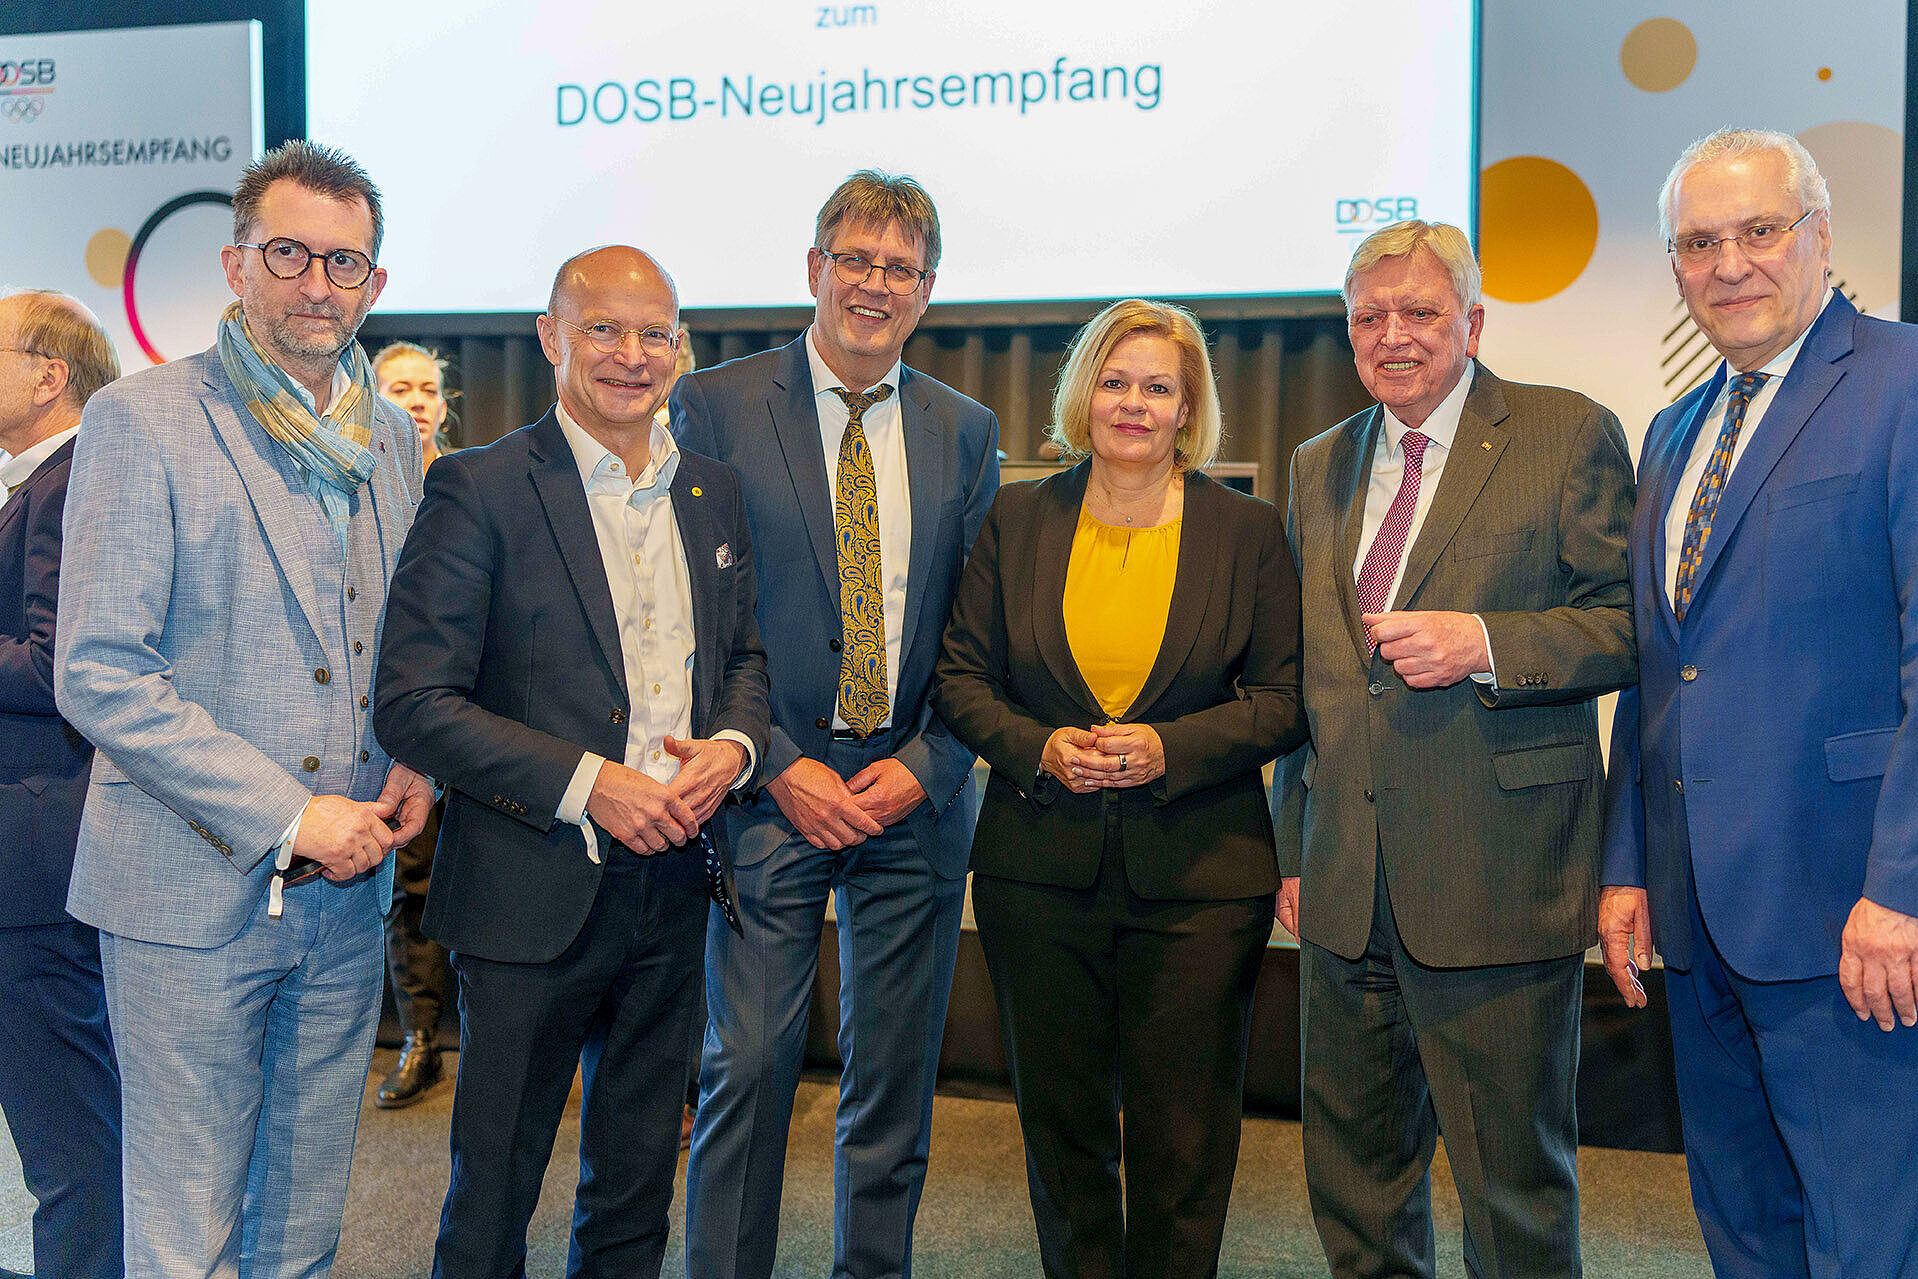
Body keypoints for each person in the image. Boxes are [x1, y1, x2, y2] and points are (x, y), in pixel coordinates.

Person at [53, 140, 433, 1278]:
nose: (319, 283)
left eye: (346, 261)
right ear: (235, 263)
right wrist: (291, 813)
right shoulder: (142, 420)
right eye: (290, 253)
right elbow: (101, 668)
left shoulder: (395, 437)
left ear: (374, 281)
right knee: (186, 1231)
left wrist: (415, 758)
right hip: (184, 890)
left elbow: (402, 643)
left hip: (346, 898)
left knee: (303, 1224)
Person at [373, 245, 770, 1279]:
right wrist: (594, 783)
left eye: (653, 333)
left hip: (677, 883)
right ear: (551, 337)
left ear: (679, 350)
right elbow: (414, 705)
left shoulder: (712, 492)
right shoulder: (480, 487)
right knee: (493, 1190)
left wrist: (729, 748)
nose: (630, 355)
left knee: (637, 1187)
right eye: (603, 328)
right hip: (525, 894)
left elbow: (744, 661)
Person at [1272, 220, 1635, 1279]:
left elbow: (1624, 624)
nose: (1393, 336)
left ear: (1470, 322)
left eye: (1418, 313)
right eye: (1368, 318)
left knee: (1511, 1195)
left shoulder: (1565, 433)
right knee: (1355, 1189)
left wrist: (1484, 642)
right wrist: (1294, 843)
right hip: (1344, 886)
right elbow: (1313, 676)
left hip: (1498, 876)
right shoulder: (1314, 464)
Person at [1600, 128, 1918, 1277]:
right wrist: (1627, 864)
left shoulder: (1904, 382)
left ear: (1821, 237)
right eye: (1698, 242)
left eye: (1758, 231)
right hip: (1695, 921)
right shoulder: (1672, 429)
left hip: (1849, 922)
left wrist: (1901, 891)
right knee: (1742, 1230)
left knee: (1864, 1239)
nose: (1728, 263)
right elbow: (1658, 673)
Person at [670, 169, 999, 1279]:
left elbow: (977, 630)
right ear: (814, 269)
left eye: (898, 268)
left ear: (928, 290)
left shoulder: (965, 428)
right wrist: (775, 763)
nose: (873, 284)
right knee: (749, 1070)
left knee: (893, 1083)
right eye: (853, 260)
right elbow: (694, 616)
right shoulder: (713, 405)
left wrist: (930, 763)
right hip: (770, 787)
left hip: (912, 797)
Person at [934, 298, 1305, 1277]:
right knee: (1062, 1129)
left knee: (1184, 1137)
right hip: (1035, 872)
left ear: (1189, 408)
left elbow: (1283, 700)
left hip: (1199, 882)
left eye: (1157, 386)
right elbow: (961, 678)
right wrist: (1040, 745)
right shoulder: (1016, 518)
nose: (1132, 403)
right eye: (1114, 380)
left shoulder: (1248, 529)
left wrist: (1168, 749)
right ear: (1081, 394)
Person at [0, 289, 123, 1279]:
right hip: (33, 849)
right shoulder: (34, 482)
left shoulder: (71, 483)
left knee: (70, 1135)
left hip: (35, 860)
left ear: (50, 373)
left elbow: (58, 671)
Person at [370, 339, 455, 1107]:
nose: (420, 399)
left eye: (429, 387)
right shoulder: (360, 478)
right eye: (402, 386)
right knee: (413, 884)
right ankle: (420, 1038)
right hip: (401, 717)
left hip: (478, 712)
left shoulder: (472, 481)